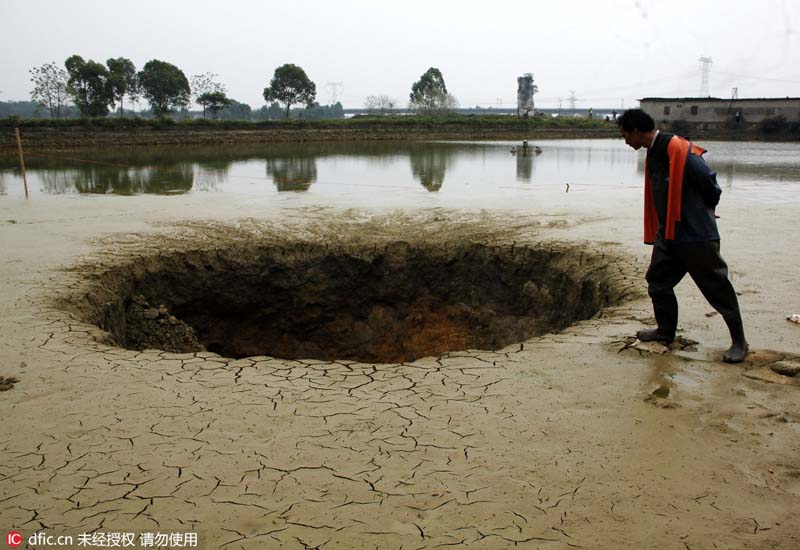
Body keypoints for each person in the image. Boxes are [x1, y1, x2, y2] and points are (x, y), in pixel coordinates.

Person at [617, 108, 748, 363]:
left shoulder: (680, 150)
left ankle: (739, 342)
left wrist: (699, 212)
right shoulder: (654, 153)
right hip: (669, 233)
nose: (625, 141)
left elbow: (711, 187)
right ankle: (665, 332)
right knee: (658, 281)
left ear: (637, 130)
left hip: (695, 235)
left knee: (717, 288)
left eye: (625, 135)